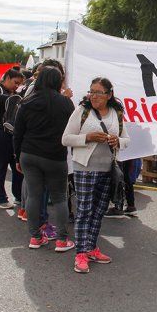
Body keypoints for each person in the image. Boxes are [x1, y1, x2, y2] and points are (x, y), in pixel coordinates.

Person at [62, 77, 130, 274]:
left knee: (99, 211)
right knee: (84, 210)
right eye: (91, 91)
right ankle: (81, 253)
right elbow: (65, 139)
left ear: (109, 95)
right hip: (84, 168)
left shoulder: (117, 113)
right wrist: (88, 138)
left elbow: (126, 139)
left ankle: (91, 247)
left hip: (107, 169)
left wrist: (117, 141)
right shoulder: (82, 111)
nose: (93, 96)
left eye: (98, 92)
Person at [13, 67, 76, 252]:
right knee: (59, 198)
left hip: (29, 154)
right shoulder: (66, 103)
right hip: (55, 156)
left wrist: (17, 157)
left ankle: (35, 237)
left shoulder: (27, 101)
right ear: (58, 81)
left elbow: (18, 133)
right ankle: (62, 240)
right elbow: (73, 129)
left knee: (34, 196)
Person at [0, 69, 25, 208]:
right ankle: (0, 199)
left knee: (17, 167)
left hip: (11, 136)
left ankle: (19, 196)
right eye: (15, 82)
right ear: (7, 78)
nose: (16, 86)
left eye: (19, 84)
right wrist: (13, 100)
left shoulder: (13, 92)